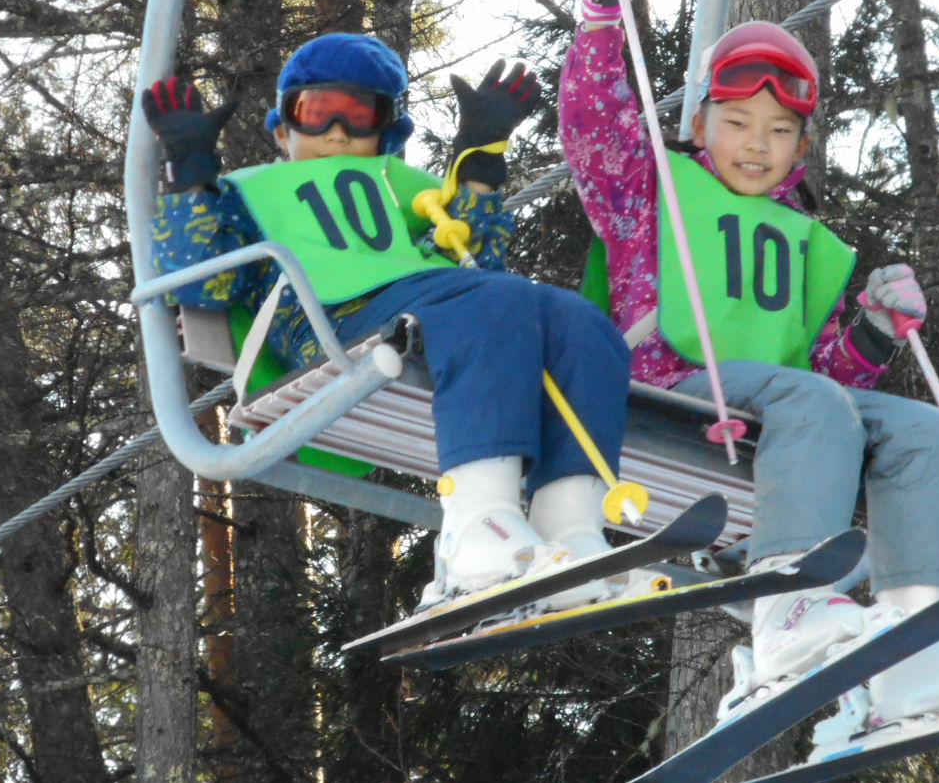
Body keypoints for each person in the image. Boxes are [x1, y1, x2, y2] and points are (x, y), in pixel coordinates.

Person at [557, 0, 939, 738]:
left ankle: (920, 640)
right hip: (669, 393)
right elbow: (594, 121)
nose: (755, 144)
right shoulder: (650, 195)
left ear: (802, 144)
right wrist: (602, 7)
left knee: (917, 428)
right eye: (735, 123)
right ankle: (790, 609)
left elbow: (817, 381)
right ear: (701, 124)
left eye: (779, 130)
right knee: (815, 405)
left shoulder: (801, 239)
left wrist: (865, 332)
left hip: (772, 409)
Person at [145, 32, 632, 612]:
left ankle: (569, 524)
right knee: (497, 299)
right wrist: (192, 170)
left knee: (578, 320)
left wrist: (479, 154)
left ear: (386, 132)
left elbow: (478, 261)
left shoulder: (406, 191)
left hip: (431, 305)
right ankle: (478, 526)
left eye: (359, 115)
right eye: (317, 112)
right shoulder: (249, 194)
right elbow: (203, 282)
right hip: (331, 323)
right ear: (283, 128)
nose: (337, 133)